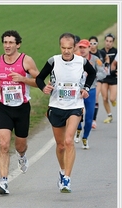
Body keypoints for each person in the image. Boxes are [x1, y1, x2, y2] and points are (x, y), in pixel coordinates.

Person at [35, 33, 96, 193]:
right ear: (60, 46)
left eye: (70, 48)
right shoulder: (53, 61)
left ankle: (67, 179)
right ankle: (62, 171)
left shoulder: (81, 62)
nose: (67, 51)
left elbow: (93, 74)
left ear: (74, 47)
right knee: (61, 145)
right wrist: (44, 88)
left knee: (69, 141)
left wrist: (86, 89)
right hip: (56, 106)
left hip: (75, 106)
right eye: (64, 48)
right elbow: (39, 78)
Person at [0, 30, 40, 195]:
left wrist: (23, 79)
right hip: (4, 107)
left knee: (20, 145)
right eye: (5, 42)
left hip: (22, 108)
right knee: (3, 144)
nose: (7, 46)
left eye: (11, 42)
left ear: (18, 44)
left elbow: (39, 81)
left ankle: (22, 155)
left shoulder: (26, 60)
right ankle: (3, 182)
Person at [74, 39, 106, 149]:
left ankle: (85, 137)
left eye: (84, 47)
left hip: (91, 90)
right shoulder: (75, 59)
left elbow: (103, 73)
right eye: (80, 47)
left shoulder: (95, 59)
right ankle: (78, 128)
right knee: (76, 114)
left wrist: (94, 75)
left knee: (89, 118)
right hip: (77, 91)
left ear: (89, 48)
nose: (82, 50)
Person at [88, 36, 107, 129]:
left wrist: (106, 66)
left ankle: (93, 120)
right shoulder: (84, 54)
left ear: (97, 44)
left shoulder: (100, 54)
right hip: (84, 80)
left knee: (95, 97)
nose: (92, 46)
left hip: (96, 79)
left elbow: (105, 60)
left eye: (94, 43)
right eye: (90, 43)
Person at [100, 33, 117, 123]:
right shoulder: (101, 52)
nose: (108, 43)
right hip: (104, 78)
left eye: (110, 41)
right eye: (107, 41)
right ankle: (109, 115)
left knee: (112, 98)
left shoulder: (116, 51)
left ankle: (113, 101)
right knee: (105, 98)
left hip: (113, 77)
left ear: (113, 42)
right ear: (104, 41)